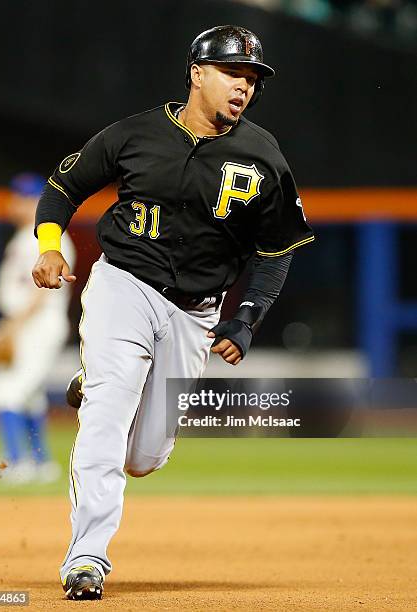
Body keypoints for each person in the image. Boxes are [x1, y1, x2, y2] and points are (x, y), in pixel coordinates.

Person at [31, 25, 314, 600]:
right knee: (108, 417)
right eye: (234, 73)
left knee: (145, 455)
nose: (244, 87)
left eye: (252, 79)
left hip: (197, 312)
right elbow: (63, 186)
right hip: (124, 287)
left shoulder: (262, 155)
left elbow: (275, 250)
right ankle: (86, 557)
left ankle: (102, 377)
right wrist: (49, 245)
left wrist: (247, 318)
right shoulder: (135, 134)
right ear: (198, 73)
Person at [0, 173, 76, 484]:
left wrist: (10, 327)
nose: (16, 203)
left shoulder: (50, 239)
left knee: (3, 394)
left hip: (37, 325)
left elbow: (42, 292)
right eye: (16, 196)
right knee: (29, 396)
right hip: (24, 324)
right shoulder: (23, 237)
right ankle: (42, 462)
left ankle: (17, 461)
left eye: (24, 197)